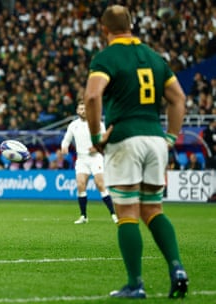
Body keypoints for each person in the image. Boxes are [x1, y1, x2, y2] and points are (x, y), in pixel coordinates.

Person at [84, 5, 188, 299]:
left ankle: (135, 284)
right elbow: (178, 99)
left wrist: (96, 136)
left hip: (125, 138)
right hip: (155, 139)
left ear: (104, 29)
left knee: (127, 211)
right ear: (131, 25)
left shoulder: (107, 57)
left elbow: (92, 96)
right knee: (153, 209)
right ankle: (177, 268)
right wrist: (170, 137)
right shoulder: (155, 58)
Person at [61, 101, 117, 224]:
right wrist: (64, 147)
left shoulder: (97, 123)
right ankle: (83, 216)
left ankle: (114, 214)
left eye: (85, 109)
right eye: (81, 109)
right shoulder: (73, 125)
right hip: (81, 159)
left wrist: (97, 148)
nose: (83, 111)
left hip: (95, 157)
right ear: (77, 111)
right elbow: (66, 140)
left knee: (100, 184)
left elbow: (104, 139)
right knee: (81, 185)